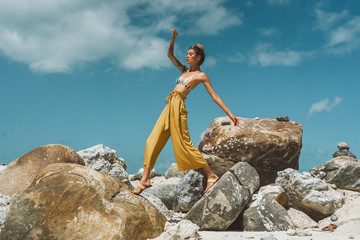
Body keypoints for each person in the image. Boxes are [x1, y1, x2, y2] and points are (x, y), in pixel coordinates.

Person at [132, 29, 239, 194]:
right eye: (187, 53)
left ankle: (211, 175)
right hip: (169, 105)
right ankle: (145, 179)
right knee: (152, 140)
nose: (187, 56)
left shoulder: (201, 75)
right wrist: (173, 38)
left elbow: (214, 96)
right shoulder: (183, 70)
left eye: (190, 54)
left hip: (179, 106)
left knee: (183, 143)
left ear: (198, 57)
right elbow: (169, 54)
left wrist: (230, 114)